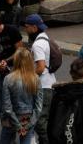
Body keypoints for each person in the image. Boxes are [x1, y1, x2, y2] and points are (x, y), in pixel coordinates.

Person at [22, 15, 57, 144]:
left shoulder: (37, 44)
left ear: (34, 27)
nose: (25, 29)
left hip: (43, 86)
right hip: (50, 83)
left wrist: (27, 77)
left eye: (26, 27)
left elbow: (41, 68)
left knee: (40, 123)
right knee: (44, 120)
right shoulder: (45, 38)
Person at [1, 47, 45, 144]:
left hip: (10, 119)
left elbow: (7, 107)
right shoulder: (35, 79)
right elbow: (38, 107)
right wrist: (28, 126)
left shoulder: (8, 79)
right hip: (27, 119)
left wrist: (17, 126)